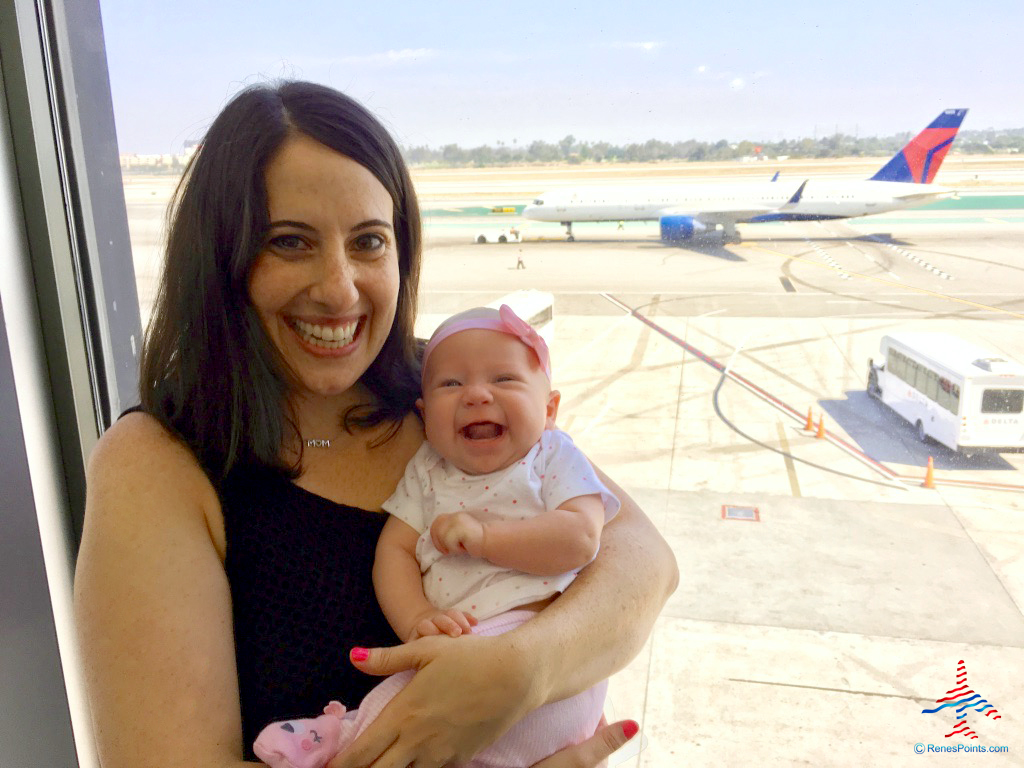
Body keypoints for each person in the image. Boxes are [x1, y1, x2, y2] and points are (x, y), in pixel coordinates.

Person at [73, 80, 678, 768]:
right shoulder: (159, 462)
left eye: (368, 242)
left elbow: (647, 564)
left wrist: (517, 673)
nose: (339, 288)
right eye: (290, 242)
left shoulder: (443, 388)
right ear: (221, 259)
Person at [255, 305, 619, 767]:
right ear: (424, 416)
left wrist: (487, 538)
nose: (477, 395)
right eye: (452, 384)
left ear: (549, 409)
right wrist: (416, 619)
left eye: (504, 379)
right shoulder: (427, 470)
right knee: (438, 712)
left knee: (418, 697)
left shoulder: (553, 456)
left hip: (539, 644)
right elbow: (395, 550)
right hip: (461, 643)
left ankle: (340, 736)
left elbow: (581, 537)